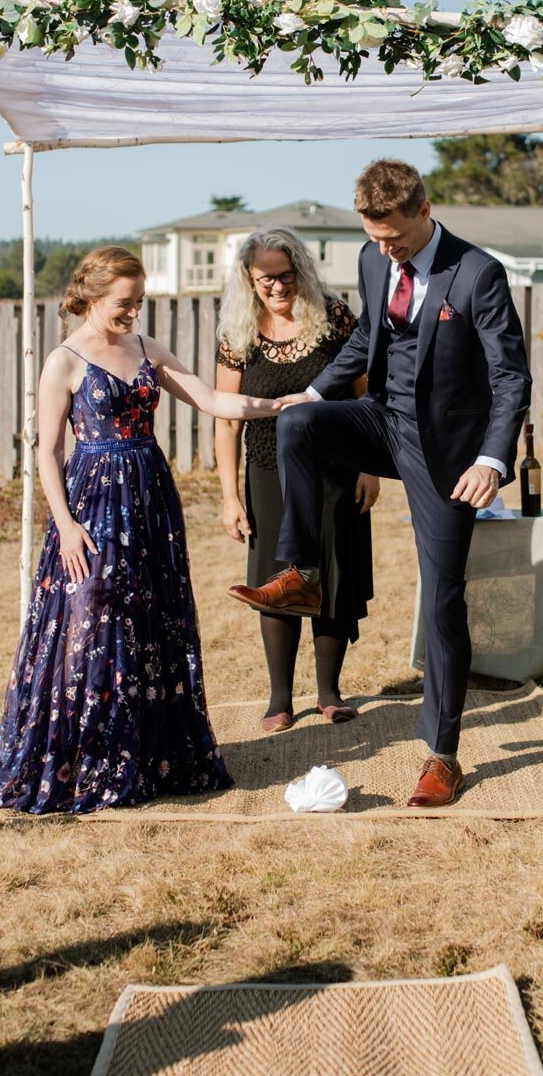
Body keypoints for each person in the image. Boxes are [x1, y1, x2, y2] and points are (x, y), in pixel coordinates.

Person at [228, 160, 532, 809]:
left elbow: (510, 376)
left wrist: (491, 460)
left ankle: (440, 756)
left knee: (442, 599)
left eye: (392, 237)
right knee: (300, 424)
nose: (383, 248)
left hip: (446, 452)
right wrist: (312, 391)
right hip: (382, 419)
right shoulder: (372, 260)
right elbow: (368, 334)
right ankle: (303, 574)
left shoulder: (477, 273)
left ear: (423, 211)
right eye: (373, 236)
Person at [0, 245, 282, 815]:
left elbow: (214, 399)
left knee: (151, 617)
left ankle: (149, 755)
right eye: (124, 302)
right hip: (91, 502)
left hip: (150, 498)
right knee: (90, 614)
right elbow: (45, 452)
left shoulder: (147, 349)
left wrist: (281, 405)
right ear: (92, 296)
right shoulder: (64, 360)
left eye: (139, 302)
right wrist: (65, 526)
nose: (133, 313)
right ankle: (86, 754)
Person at [217, 228, 378, 733]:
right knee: (276, 581)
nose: (278, 286)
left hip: (337, 470)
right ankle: (280, 699)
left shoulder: (333, 316)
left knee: (331, 575)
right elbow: (227, 417)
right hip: (267, 473)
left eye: (286, 275)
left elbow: (367, 393)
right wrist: (229, 495)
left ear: (301, 271)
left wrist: (371, 466)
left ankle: (330, 692)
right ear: (249, 277)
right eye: (267, 278)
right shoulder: (237, 332)